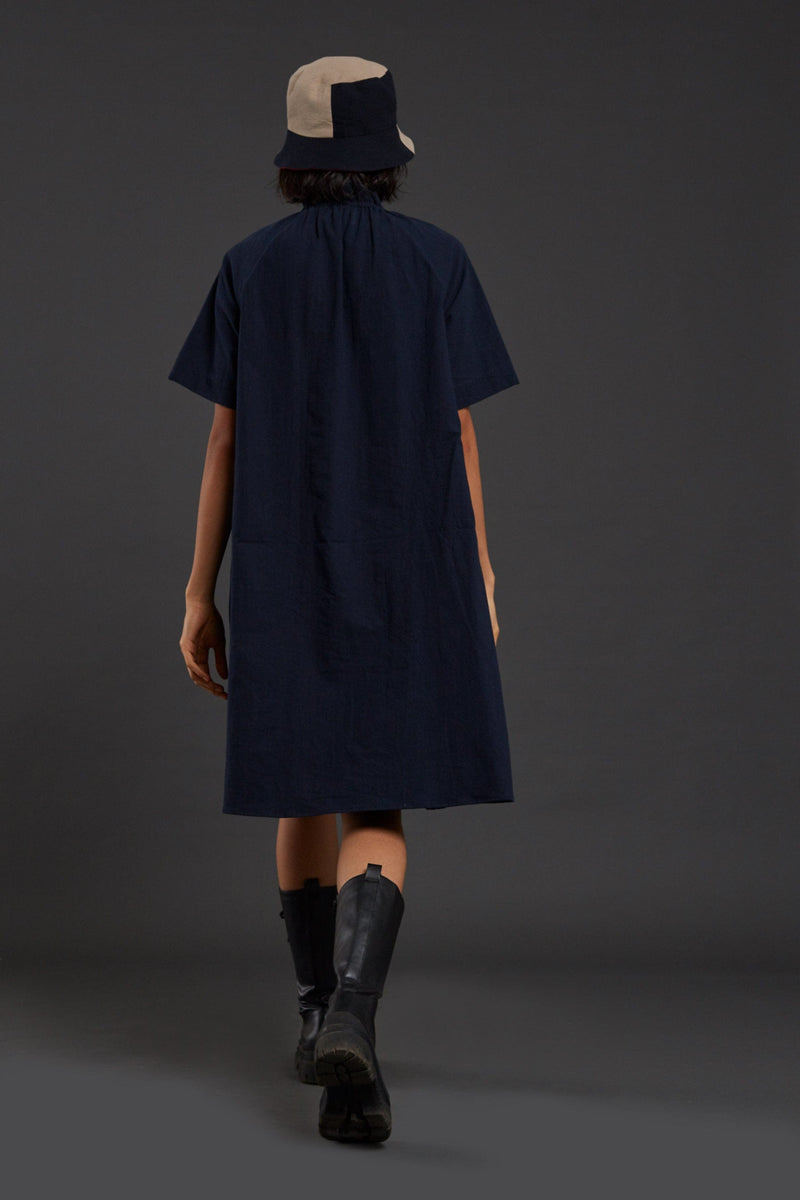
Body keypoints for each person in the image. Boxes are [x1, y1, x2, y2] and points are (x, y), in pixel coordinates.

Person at [168, 56, 520, 1144]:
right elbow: (460, 430)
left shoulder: (249, 266)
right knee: (378, 804)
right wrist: (482, 568)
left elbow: (224, 442)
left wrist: (199, 591)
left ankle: (321, 1017)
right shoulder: (437, 259)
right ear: (384, 156)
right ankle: (355, 1024)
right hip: (412, 564)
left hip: (284, 564)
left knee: (301, 791)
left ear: (296, 160)